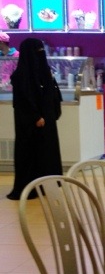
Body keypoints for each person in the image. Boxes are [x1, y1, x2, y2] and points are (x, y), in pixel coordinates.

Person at [7, 38, 62, 200]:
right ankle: (29, 187)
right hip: (31, 123)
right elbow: (23, 100)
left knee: (47, 152)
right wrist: (36, 116)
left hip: (47, 120)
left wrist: (51, 113)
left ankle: (47, 185)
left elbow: (51, 92)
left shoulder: (44, 71)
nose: (40, 54)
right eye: (37, 50)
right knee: (30, 153)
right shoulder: (21, 76)